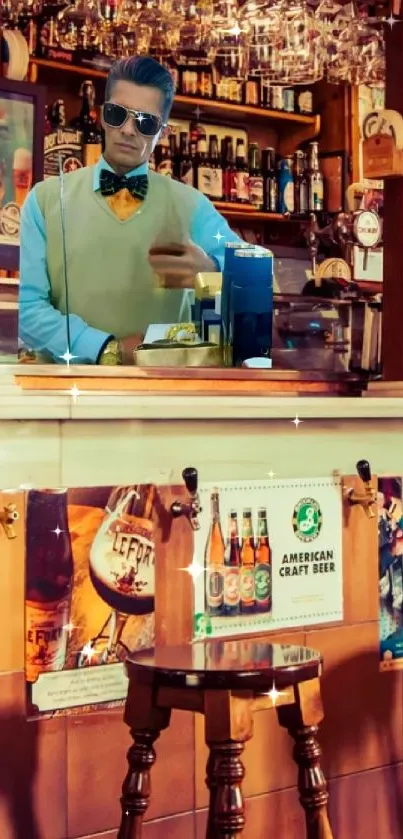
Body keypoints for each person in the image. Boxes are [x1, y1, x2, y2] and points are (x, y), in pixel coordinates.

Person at [19, 56, 243, 365]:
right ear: (100, 115)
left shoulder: (193, 206)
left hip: (162, 395)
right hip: (64, 396)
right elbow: (28, 310)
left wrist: (212, 271)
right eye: (117, 114)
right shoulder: (44, 200)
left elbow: (260, 284)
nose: (127, 129)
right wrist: (107, 349)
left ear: (162, 133)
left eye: (145, 122)